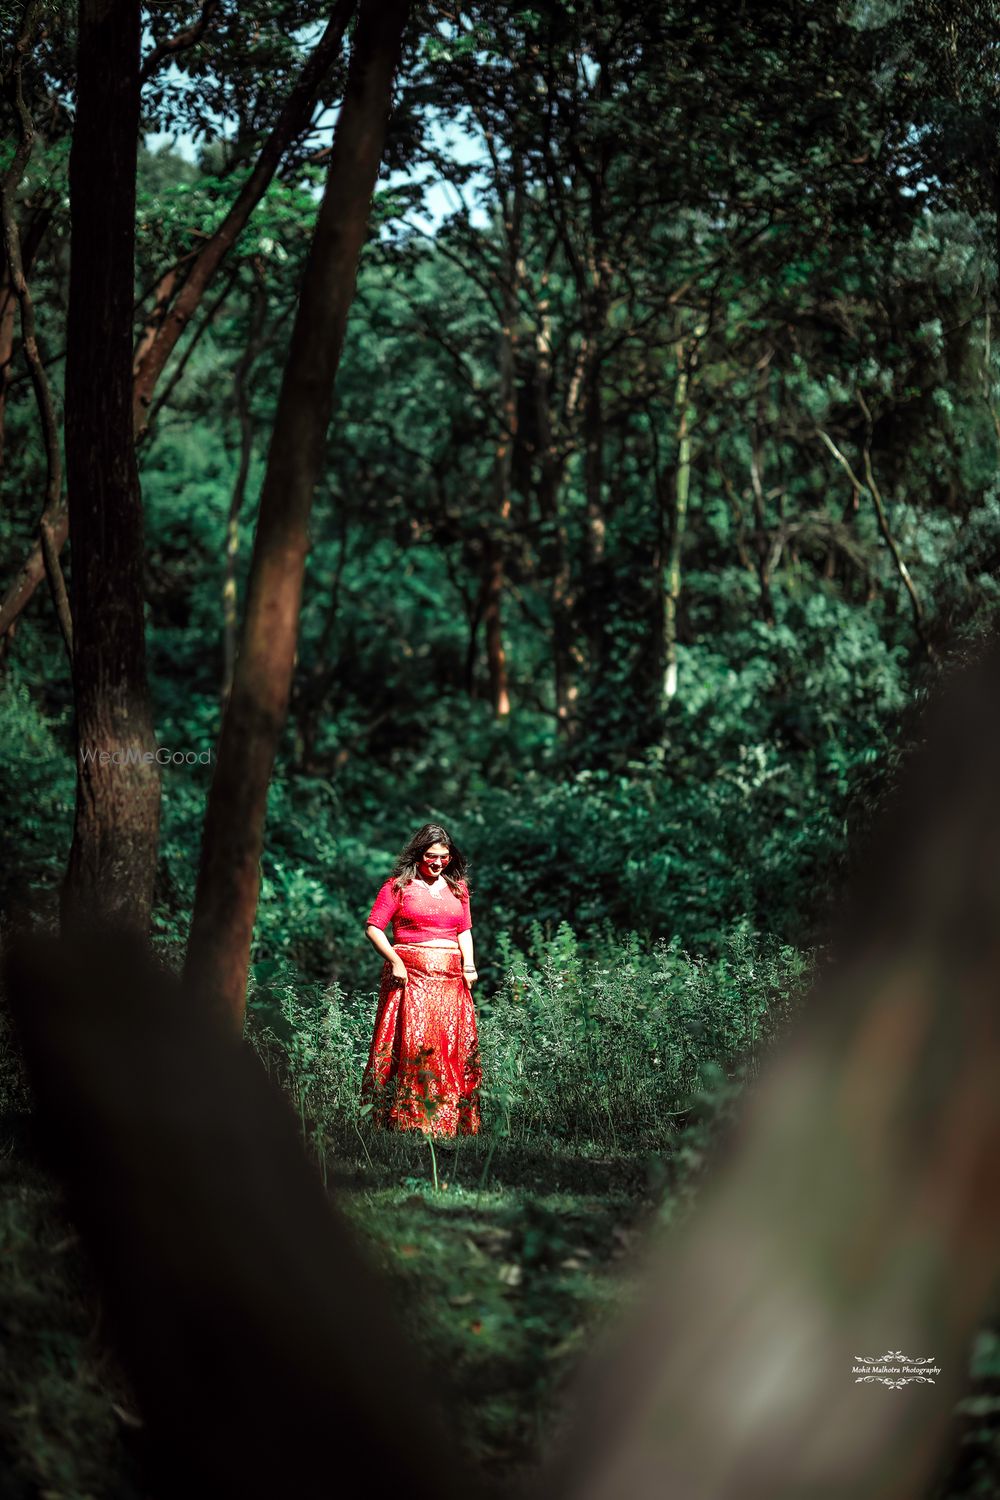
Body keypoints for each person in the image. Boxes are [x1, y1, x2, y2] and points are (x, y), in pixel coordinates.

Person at [361, 823, 481, 1137]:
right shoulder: (397, 886)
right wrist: (395, 960)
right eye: (431, 855)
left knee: (448, 1047)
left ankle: (448, 1122)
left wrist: (469, 964)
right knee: (412, 1045)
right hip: (409, 979)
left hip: (450, 981)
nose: (438, 862)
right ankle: (406, 1120)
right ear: (419, 854)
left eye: (444, 856)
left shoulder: (458, 888)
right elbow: (374, 927)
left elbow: (464, 930)